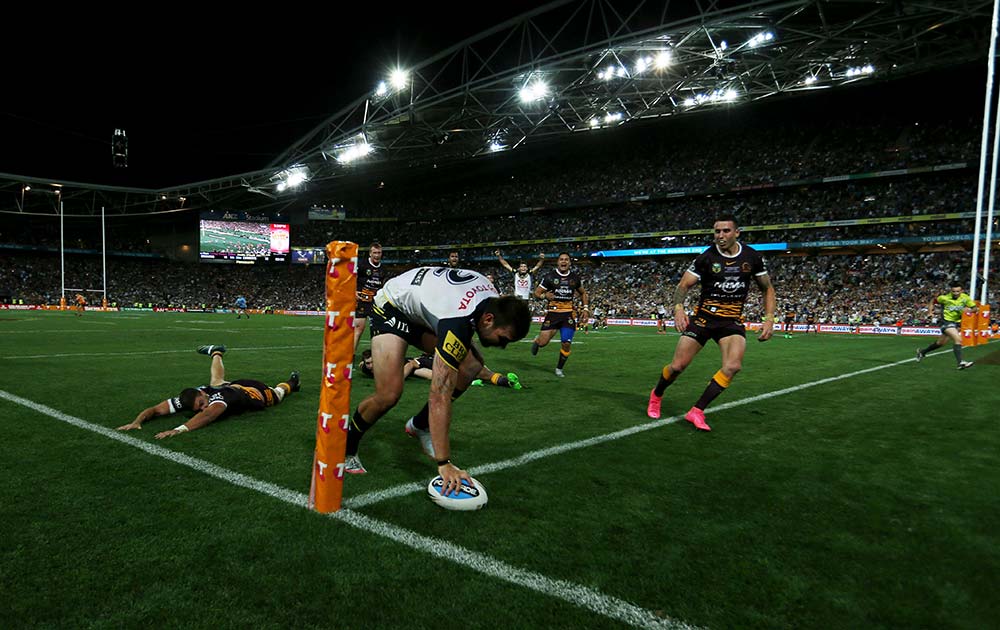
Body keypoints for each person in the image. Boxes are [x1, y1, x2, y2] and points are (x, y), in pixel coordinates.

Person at [344, 266, 531, 496]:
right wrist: (444, 463)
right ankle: (347, 446)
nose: (502, 346)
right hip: (392, 308)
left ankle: (419, 425)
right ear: (488, 319)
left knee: (471, 366)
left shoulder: (489, 301)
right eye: (503, 338)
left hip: (422, 306)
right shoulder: (458, 321)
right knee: (389, 394)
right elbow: (439, 394)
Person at [646, 215, 776, 431]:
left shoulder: (752, 257)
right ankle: (657, 394)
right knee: (677, 366)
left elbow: (767, 288)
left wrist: (769, 319)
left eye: (726, 231)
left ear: (737, 233)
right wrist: (678, 308)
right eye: (717, 231)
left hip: (731, 321)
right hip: (704, 319)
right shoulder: (706, 258)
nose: (720, 235)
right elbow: (683, 285)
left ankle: (697, 411)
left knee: (733, 366)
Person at [116, 345, 300, 439]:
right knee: (216, 382)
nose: (203, 408)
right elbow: (156, 410)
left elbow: (209, 415)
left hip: (255, 392)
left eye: (202, 404)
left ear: (203, 395)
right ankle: (216, 352)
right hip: (233, 385)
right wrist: (137, 422)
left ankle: (293, 381)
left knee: (278, 393)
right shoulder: (197, 395)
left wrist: (178, 430)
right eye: (199, 408)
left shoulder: (219, 398)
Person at [530, 252, 588, 378]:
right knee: (543, 343)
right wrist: (545, 296)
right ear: (558, 262)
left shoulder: (575, 278)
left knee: (566, 343)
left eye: (566, 259)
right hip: (553, 314)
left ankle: (559, 369)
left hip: (568, 314)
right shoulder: (549, 277)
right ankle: (537, 341)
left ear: (570, 262)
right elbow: (537, 293)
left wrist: (585, 309)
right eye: (561, 259)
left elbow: (583, 293)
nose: (564, 261)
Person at [359, 349, 522, 389]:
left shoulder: (381, 365)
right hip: (423, 364)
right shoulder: (372, 369)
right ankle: (504, 381)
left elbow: (411, 365)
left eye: (372, 362)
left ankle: (502, 380)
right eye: (368, 364)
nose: (370, 366)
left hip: (423, 360)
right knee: (476, 369)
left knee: (475, 367)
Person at [916, 281, 977, 369]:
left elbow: (974, 308)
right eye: (953, 291)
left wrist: (969, 311)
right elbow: (932, 301)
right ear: (950, 291)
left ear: (961, 291)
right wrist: (930, 312)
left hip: (956, 323)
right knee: (958, 339)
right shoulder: (944, 298)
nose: (956, 293)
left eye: (958, 291)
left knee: (940, 343)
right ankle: (960, 363)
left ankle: (922, 352)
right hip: (946, 322)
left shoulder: (965, 298)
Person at [354, 242, 386, 351]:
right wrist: (354, 291)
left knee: (377, 331)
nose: (377, 255)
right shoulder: (362, 265)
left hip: (375, 303)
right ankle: (350, 356)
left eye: (379, 253)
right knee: (359, 328)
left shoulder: (383, 269)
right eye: (374, 253)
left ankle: (376, 356)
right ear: (370, 253)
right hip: (361, 301)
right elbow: (351, 277)